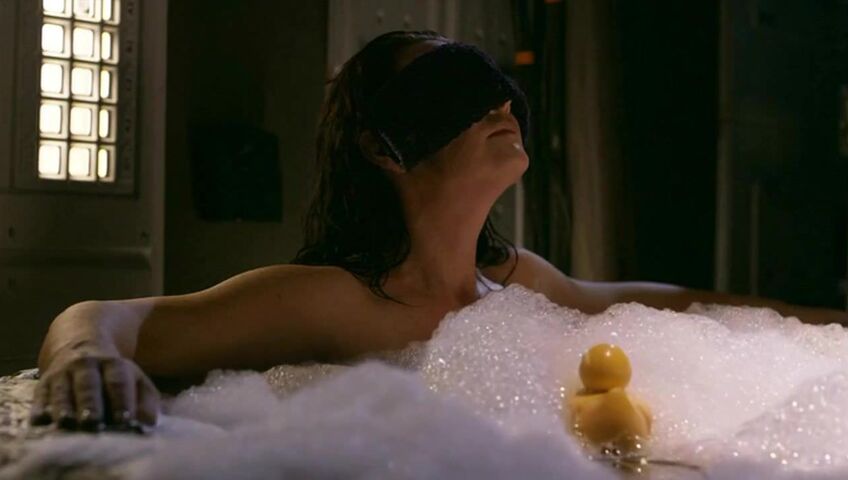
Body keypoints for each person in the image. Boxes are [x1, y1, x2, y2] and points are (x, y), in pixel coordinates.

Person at [29, 30, 848, 433]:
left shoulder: (517, 284)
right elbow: (110, 316)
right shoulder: (339, 300)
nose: (497, 104)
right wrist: (82, 354)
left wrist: (821, 328)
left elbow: (663, 304)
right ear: (383, 147)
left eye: (493, 86)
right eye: (451, 90)